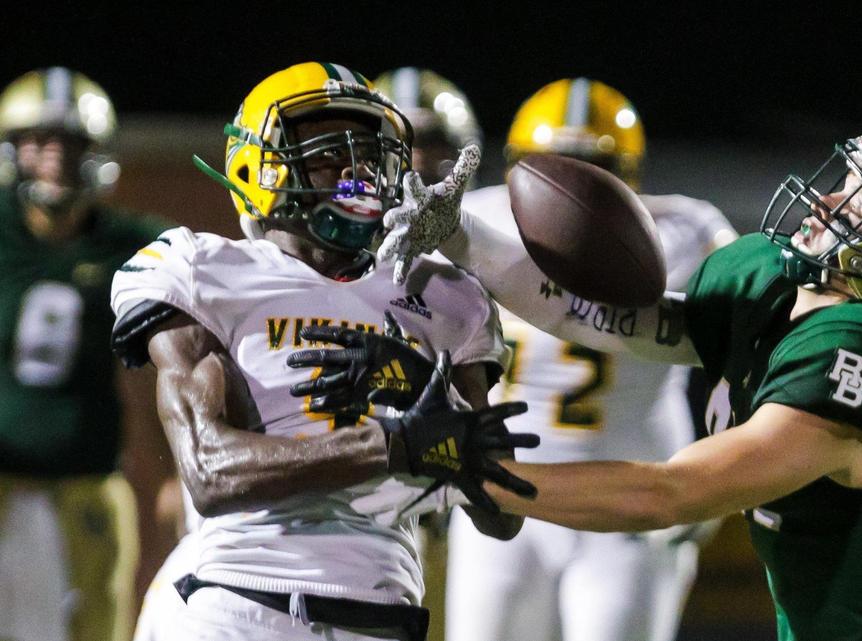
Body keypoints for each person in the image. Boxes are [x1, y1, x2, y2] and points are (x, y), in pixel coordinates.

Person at [342, 129, 862, 640]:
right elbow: (634, 321)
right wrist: (465, 239)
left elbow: (671, 490)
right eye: (848, 180)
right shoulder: (777, 282)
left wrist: (469, 470)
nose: (833, 197)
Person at [108, 61, 534, 641]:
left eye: (367, 152)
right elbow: (209, 470)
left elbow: (504, 513)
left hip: (385, 615)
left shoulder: (445, 294)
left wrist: (426, 397)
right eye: (328, 153)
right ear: (254, 166)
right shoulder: (205, 269)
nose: (356, 173)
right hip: (236, 603)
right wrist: (391, 445)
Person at [445, 77, 737, 641]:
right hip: (507, 492)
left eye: (590, 165)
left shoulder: (685, 230)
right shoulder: (475, 220)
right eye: (551, 163)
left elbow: (751, 329)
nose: (568, 183)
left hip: (629, 499)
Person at [0, 66, 173, 641]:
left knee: (101, 621)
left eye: (72, 144)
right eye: (39, 142)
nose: (55, 158)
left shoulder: (133, 242)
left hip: (89, 471)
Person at [369, 66, 486, 641]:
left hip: (440, 490)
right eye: (402, 144)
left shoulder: (486, 233)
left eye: (433, 144)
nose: (417, 162)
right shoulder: (328, 229)